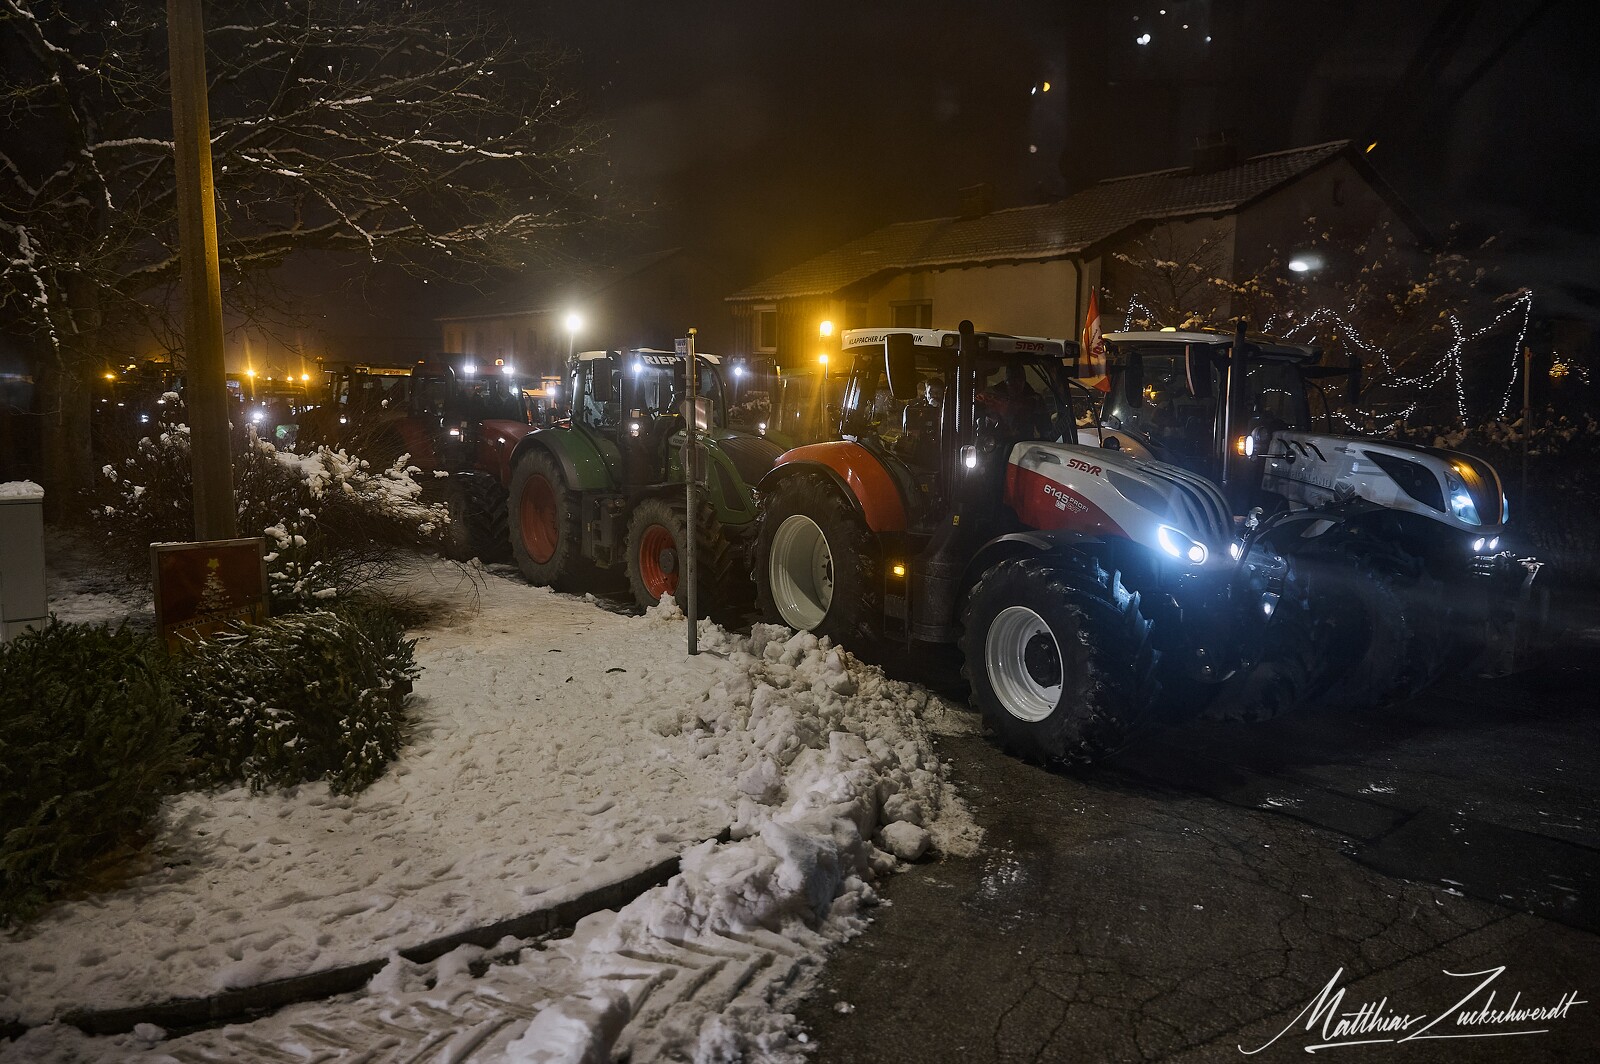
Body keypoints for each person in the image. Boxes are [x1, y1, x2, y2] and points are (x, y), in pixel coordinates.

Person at [977, 362, 1051, 441]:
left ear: (1024, 382)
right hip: (995, 445)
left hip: (1024, 445)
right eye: (1012, 382)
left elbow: (1046, 429)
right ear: (1006, 382)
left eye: (1020, 381)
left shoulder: (1034, 400)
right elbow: (978, 421)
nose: (1016, 386)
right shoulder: (992, 397)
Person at [899, 378, 945, 465]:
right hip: (920, 454)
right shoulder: (915, 410)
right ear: (925, 393)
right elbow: (910, 432)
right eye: (931, 393)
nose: (934, 396)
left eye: (938, 393)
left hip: (941, 453)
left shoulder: (950, 411)